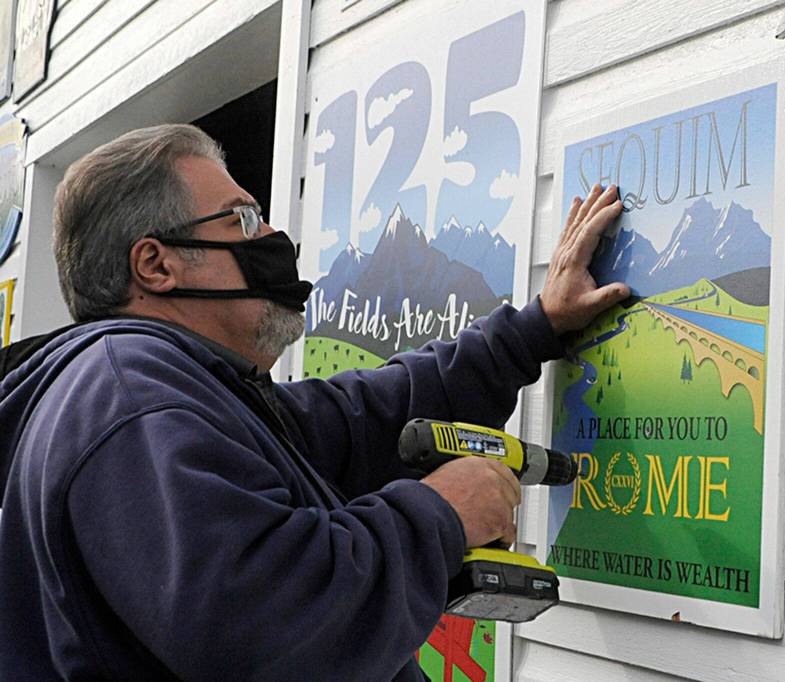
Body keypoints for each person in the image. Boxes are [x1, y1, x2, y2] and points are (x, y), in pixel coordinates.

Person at [0, 124, 628, 680]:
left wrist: (537, 326)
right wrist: (442, 512)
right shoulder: (133, 397)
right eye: (242, 219)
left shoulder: (187, 387)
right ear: (156, 265)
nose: (271, 235)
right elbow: (268, 626)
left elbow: (367, 417)